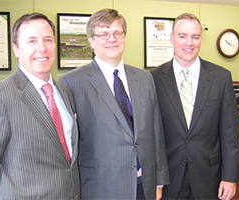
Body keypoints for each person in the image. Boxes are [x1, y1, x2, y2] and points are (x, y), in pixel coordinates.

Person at [0, 13, 80, 199]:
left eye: (48, 39)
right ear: (16, 49)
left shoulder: (63, 92)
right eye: (31, 41)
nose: (42, 47)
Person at [59, 8, 169, 200]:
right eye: (103, 34)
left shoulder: (144, 78)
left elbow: (155, 131)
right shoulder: (71, 82)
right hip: (101, 188)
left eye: (117, 33)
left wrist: (159, 180)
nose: (112, 39)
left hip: (144, 185)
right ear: (91, 41)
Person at [150, 13, 239, 200]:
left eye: (195, 37)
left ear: (201, 39)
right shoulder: (153, 79)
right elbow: (150, 135)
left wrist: (230, 178)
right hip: (169, 180)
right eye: (182, 36)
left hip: (210, 179)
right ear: (171, 39)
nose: (189, 43)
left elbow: (230, 134)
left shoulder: (221, 77)